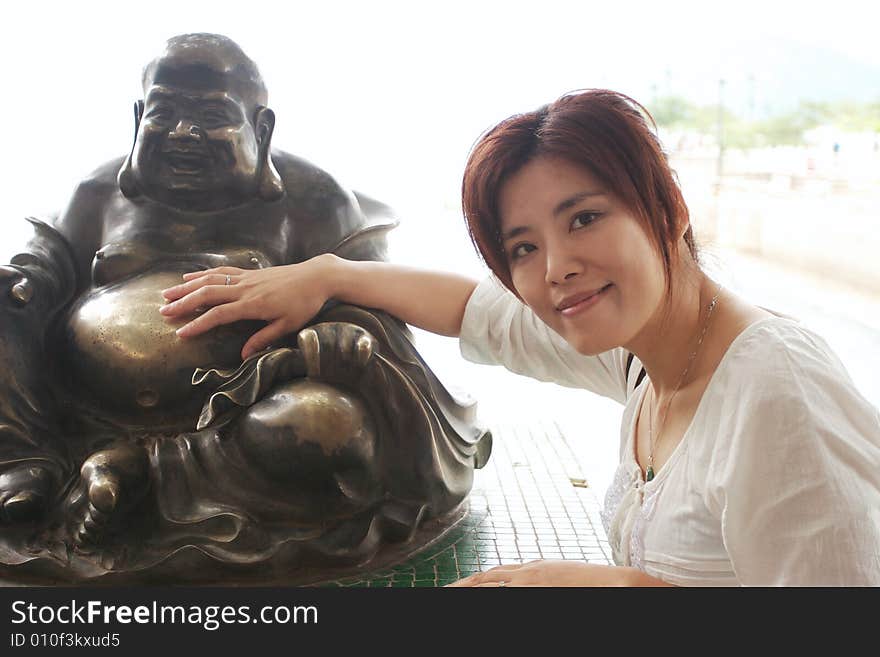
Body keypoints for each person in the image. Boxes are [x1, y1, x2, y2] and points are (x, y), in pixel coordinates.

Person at [161, 89, 880, 586]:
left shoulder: (774, 389)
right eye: (524, 248)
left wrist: (621, 590)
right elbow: (480, 311)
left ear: (670, 207)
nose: (557, 268)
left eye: (584, 219)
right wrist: (328, 273)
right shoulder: (646, 356)